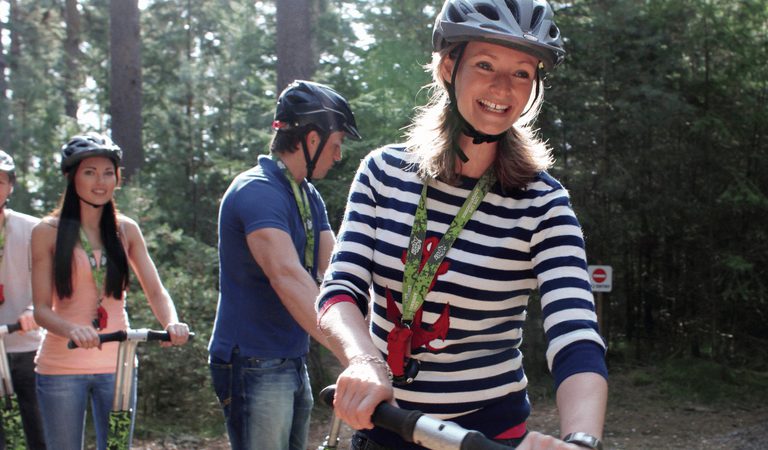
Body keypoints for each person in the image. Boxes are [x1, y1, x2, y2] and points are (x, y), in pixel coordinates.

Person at [316, 1, 608, 449]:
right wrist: (363, 361)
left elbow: (574, 334)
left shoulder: (544, 203)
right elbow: (340, 291)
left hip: (486, 437)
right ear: (449, 67)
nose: (502, 87)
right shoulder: (383, 173)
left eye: (522, 73)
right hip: (386, 425)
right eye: (486, 64)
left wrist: (582, 439)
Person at [208, 80, 361, 450]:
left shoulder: (308, 195)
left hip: (290, 356)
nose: (338, 156)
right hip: (252, 360)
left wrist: (374, 334)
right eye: (336, 144)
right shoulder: (256, 190)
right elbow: (287, 277)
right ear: (312, 139)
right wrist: (354, 354)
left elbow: (337, 268)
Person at [30, 133, 190, 450]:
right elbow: (41, 311)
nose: (100, 181)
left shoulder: (125, 229)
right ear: (71, 176)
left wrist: (171, 322)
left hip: (118, 368)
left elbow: (155, 290)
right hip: (61, 368)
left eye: (108, 172)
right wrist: (72, 329)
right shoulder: (46, 232)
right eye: (89, 172)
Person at [0, 149, 47, 449]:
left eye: (0, 181)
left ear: (11, 185)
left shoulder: (32, 228)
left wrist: (34, 309)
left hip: (28, 344)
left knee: (37, 430)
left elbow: (53, 279)